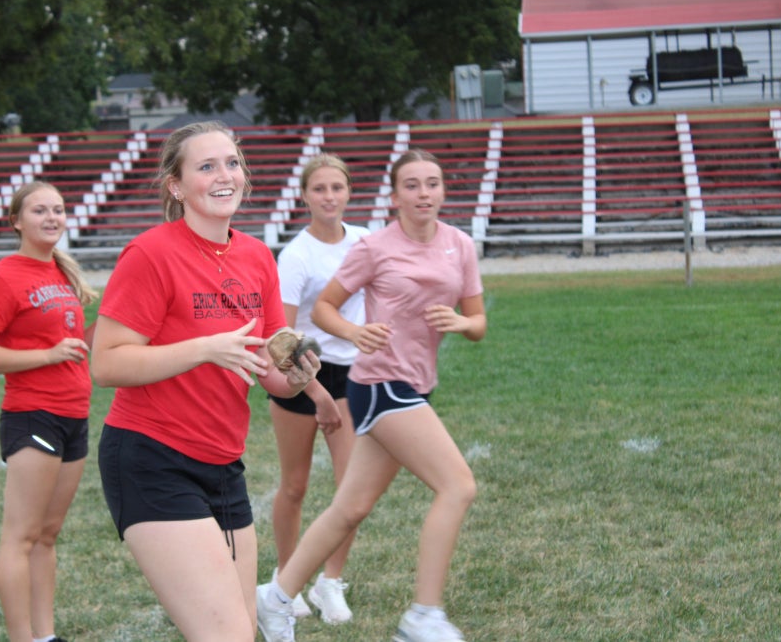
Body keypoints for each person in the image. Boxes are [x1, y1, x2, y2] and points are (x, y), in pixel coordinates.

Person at [90, 121, 341, 642]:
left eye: (232, 163)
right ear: (176, 186)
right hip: (152, 458)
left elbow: (272, 373)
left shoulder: (256, 256)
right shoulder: (151, 253)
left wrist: (300, 376)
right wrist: (204, 348)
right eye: (206, 166)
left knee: (241, 630)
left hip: (224, 463)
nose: (225, 175)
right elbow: (106, 364)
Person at [256, 149, 487, 642]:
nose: (424, 193)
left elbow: (478, 323)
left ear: (443, 190)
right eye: (412, 185)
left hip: (415, 384)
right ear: (394, 195)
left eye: (432, 183)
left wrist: (462, 322)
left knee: (351, 506)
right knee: (457, 485)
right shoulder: (373, 247)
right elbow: (323, 309)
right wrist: (355, 333)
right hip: (379, 384)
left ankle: (275, 597)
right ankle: (424, 616)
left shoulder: (460, 245)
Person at [0, 180, 98, 642]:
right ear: (16, 221)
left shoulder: (61, 271)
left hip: (74, 415)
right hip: (33, 415)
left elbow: (74, 346)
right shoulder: (2, 278)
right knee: (21, 537)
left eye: (58, 209)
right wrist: (46, 356)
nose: (51, 218)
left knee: (47, 534)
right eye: (39, 210)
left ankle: (45, 636)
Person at [267, 153, 369, 625]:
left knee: (351, 489)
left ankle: (330, 582)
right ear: (305, 196)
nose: (330, 197)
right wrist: (315, 393)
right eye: (320, 189)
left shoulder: (365, 241)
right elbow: (282, 339)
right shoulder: (296, 255)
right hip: (302, 377)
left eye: (337, 187)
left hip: (352, 375)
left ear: (349, 192)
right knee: (295, 485)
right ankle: (286, 579)